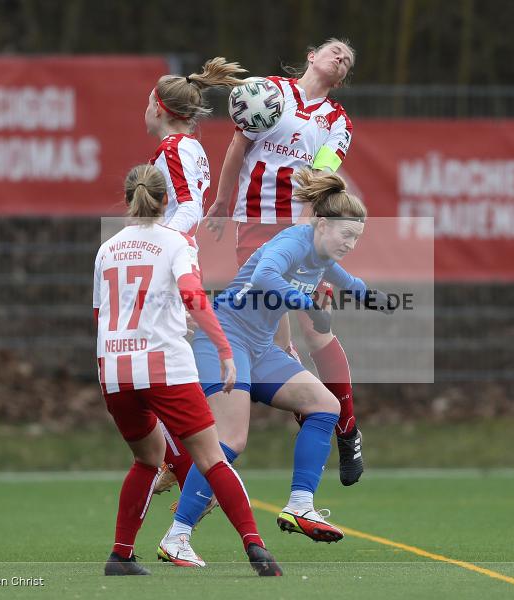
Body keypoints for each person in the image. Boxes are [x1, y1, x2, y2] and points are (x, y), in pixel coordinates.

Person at [157, 169, 393, 567]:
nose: (350, 244)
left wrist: (376, 299)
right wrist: (309, 305)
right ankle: (177, 535)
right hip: (225, 338)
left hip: (260, 347)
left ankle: (300, 505)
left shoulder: (322, 256)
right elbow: (265, 275)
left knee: (326, 406)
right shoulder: (293, 241)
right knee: (229, 440)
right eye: (346, 235)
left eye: (356, 238)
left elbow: (349, 281)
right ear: (321, 224)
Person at [95, 164, 281, 577]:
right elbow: (193, 295)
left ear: (128, 200)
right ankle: (257, 549)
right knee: (213, 458)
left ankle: (121, 556)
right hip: (164, 366)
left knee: (147, 460)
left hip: (115, 369)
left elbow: (101, 314)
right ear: (167, 201)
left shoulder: (106, 249)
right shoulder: (176, 242)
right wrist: (224, 350)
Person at [202, 38, 366, 487]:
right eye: (335, 50)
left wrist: (306, 234)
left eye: (347, 59)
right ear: (312, 56)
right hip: (255, 226)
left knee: (316, 328)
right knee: (271, 341)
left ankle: (346, 427)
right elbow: (238, 146)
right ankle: (314, 411)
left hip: (303, 229)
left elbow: (320, 177)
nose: (341, 57)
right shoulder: (270, 91)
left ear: (343, 77)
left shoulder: (337, 121)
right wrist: (222, 201)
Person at [142, 57, 248, 495]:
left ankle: (187, 465)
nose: (145, 109)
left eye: (148, 102)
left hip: (170, 264)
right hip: (181, 259)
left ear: (159, 107)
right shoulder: (189, 147)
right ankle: (181, 458)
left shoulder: (173, 148)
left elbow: (188, 207)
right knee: (163, 365)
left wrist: (157, 244)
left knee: (155, 369)